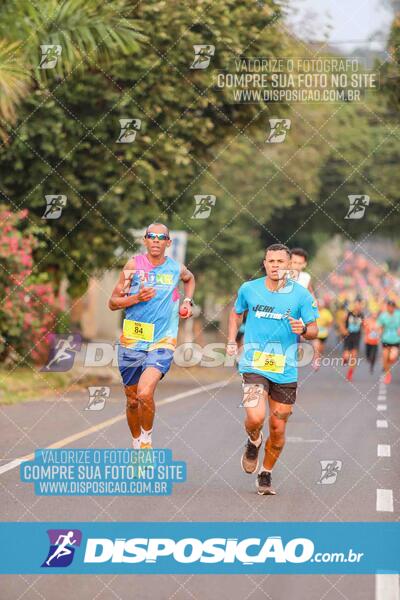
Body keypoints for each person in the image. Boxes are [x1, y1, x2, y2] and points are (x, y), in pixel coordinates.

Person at [227, 244, 318, 495]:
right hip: (253, 363)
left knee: (277, 427)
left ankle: (265, 472)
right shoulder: (249, 289)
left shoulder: (301, 295)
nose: (275, 265)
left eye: (280, 261)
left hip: (286, 368)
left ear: (289, 265)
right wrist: (231, 340)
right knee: (255, 417)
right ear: (264, 263)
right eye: (270, 261)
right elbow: (235, 314)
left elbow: (314, 329)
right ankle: (254, 440)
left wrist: (303, 329)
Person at [109, 223, 195, 449]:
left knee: (145, 393)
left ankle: (146, 440)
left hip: (162, 340)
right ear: (145, 241)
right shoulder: (133, 266)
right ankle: (136, 441)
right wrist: (136, 298)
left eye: (161, 237)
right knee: (132, 400)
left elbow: (190, 278)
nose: (156, 240)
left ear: (168, 243)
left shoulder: (176, 268)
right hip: (132, 340)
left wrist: (187, 301)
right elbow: (113, 303)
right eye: (151, 236)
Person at [377, 299, 400, 384]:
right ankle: (387, 374)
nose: (390, 308)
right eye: (388, 306)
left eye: (392, 307)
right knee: (385, 357)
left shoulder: (398, 314)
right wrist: (379, 332)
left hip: (396, 340)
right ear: (387, 307)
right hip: (386, 340)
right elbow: (379, 325)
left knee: (392, 357)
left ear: (394, 307)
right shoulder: (383, 316)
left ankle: (387, 365)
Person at [342, 297, 364, 382]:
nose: (358, 307)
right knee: (346, 356)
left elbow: (363, 325)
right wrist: (343, 330)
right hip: (348, 336)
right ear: (354, 305)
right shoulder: (348, 313)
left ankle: (350, 373)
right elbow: (342, 322)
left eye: (359, 305)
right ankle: (345, 359)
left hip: (356, 337)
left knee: (354, 356)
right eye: (356, 305)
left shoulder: (362, 315)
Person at [312, 299, 334, 370]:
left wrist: (328, 328)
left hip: (324, 334)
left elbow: (330, 321)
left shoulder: (326, 312)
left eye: (320, 305)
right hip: (316, 334)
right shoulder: (313, 312)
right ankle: (315, 362)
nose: (319, 306)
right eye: (318, 305)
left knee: (320, 350)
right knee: (316, 347)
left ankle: (317, 360)